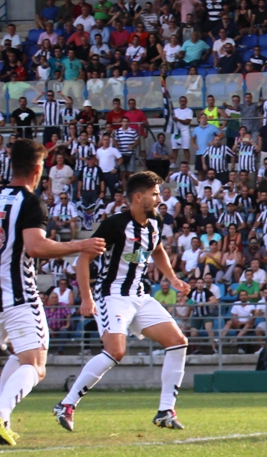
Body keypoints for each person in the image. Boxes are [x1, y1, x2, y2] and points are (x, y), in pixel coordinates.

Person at [0, 138, 105, 445]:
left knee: (22, 356)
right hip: (17, 291)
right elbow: (36, 247)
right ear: (38, 167)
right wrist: (80, 245)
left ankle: (0, 417)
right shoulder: (31, 202)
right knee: (36, 365)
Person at [54, 172, 192, 432]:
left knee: (178, 342)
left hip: (138, 295)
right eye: (155, 194)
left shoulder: (154, 222)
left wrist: (172, 279)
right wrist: (86, 297)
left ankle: (165, 410)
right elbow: (83, 260)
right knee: (116, 351)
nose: (160, 199)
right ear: (138, 197)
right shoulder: (115, 225)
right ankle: (67, 404)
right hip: (112, 295)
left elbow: (157, 249)